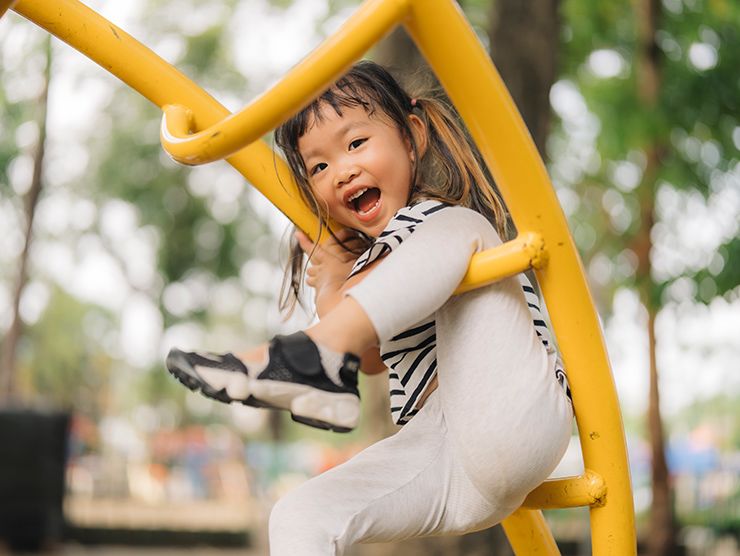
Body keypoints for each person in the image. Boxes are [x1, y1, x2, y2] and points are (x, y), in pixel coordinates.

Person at [166, 60, 573, 554]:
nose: (343, 171)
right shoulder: (375, 266)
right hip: (446, 461)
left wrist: (337, 292)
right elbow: (376, 361)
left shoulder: (432, 222)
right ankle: (317, 358)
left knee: (469, 228)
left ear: (412, 136)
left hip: (518, 414)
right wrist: (334, 281)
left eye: (356, 143)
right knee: (299, 514)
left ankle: (308, 356)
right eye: (318, 167)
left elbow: (388, 313)